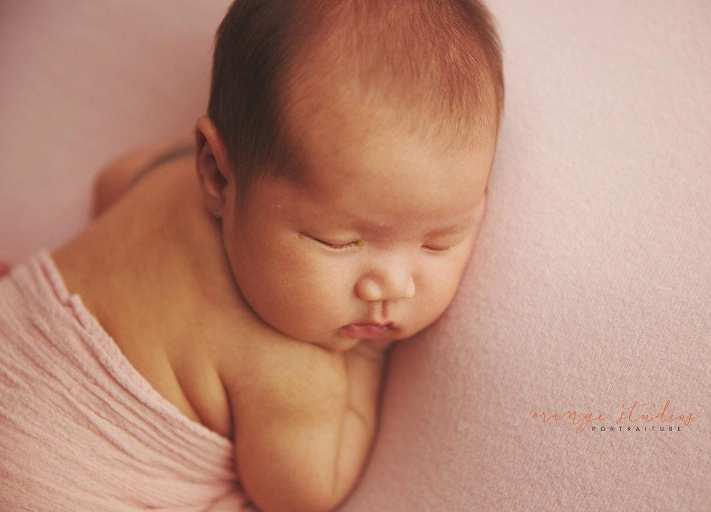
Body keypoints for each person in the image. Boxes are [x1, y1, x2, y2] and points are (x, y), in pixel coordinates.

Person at [0, 1, 504, 510]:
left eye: (440, 240)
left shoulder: (168, 171)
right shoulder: (292, 373)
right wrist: (370, 359)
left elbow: (111, 183)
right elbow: (306, 494)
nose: (394, 287)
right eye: (339, 241)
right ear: (217, 174)